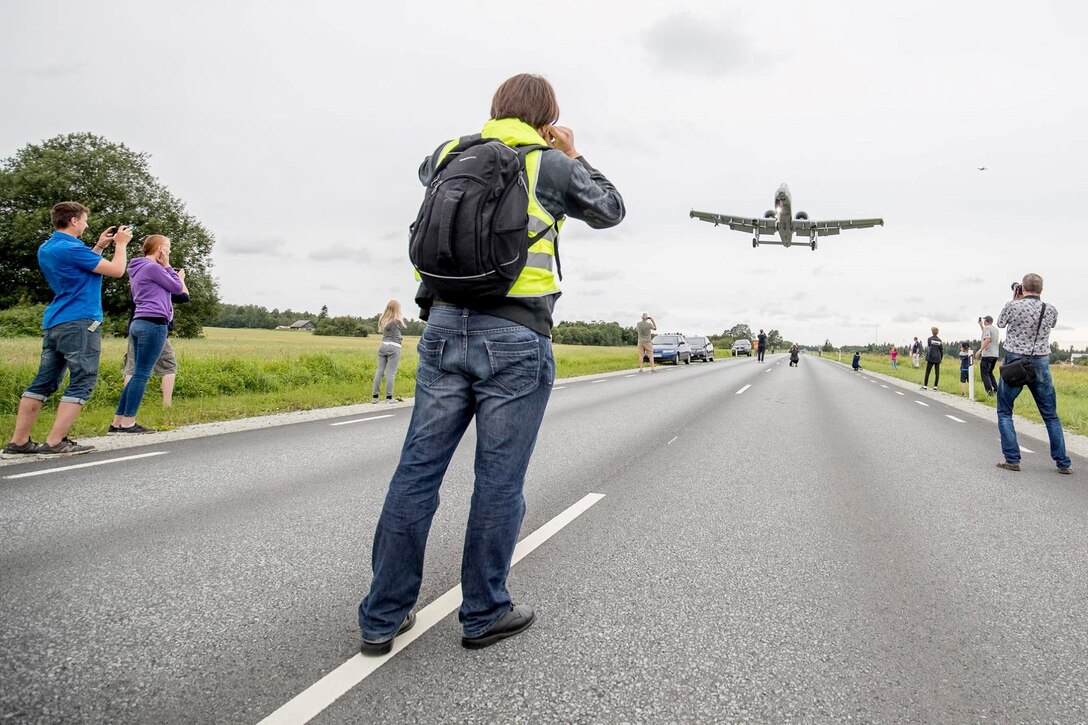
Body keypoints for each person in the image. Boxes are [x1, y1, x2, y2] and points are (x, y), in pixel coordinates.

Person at [358, 73, 625, 654]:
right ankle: (483, 612)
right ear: (548, 117)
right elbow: (611, 210)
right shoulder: (548, 164)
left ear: (496, 109)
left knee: (416, 473)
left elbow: (431, 178)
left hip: (443, 324)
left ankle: (382, 615)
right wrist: (572, 153)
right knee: (498, 481)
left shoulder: (450, 153)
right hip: (516, 332)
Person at [2, 203, 132, 459]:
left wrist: (100, 246)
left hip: (56, 320)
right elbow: (117, 271)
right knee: (83, 379)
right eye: (84, 220)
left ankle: (18, 442)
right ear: (73, 220)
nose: (85, 224)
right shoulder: (73, 248)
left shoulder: (49, 247)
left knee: (43, 382)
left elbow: (82, 270)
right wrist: (121, 245)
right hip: (81, 320)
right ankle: (55, 441)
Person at [994, 274, 1072, 474]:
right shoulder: (1050, 309)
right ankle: (1062, 462)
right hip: (1040, 363)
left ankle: (1012, 459)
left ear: (1022, 288)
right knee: (1050, 415)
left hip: (1015, 362)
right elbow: (1052, 324)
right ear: (1041, 290)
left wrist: (1014, 300)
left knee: (1005, 411)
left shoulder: (1013, 306)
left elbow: (1001, 323)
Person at [108, 235, 184, 434]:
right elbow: (177, 288)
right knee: (141, 374)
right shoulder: (154, 268)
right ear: (160, 249)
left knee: (136, 374)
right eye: (168, 248)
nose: (169, 251)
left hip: (139, 321)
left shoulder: (137, 267)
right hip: (154, 322)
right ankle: (128, 422)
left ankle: (117, 421)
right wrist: (168, 266)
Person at [120, 291, 190, 408]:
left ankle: (127, 405)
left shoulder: (137, 279)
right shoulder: (159, 283)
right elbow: (183, 297)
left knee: (132, 368)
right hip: (155, 327)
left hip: (136, 325)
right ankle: (167, 404)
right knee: (169, 366)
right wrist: (181, 279)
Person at [372, 299, 407, 403]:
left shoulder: (383, 319)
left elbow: (390, 333)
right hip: (394, 347)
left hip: (383, 346)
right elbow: (397, 333)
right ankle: (388, 398)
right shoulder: (398, 320)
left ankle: (375, 397)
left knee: (379, 371)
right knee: (391, 373)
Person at [975, 315, 1000, 395]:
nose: (984, 321)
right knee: (990, 372)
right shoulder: (995, 329)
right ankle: (996, 390)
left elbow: (987, 339)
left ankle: (989, 391)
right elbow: (986, 334)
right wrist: (981, 325)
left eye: (984, 320)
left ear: (987, 321)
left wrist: (980, 350)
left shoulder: (987, 328)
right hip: (995, 354)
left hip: (987, 354)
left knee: (984, 373)